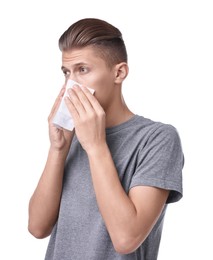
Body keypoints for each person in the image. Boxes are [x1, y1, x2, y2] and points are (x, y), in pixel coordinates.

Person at [28, 18, 184, 260]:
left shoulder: (157, 139)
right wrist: (58, 149)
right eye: (66, 72)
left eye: (83, 70)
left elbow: (126, 239)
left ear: (119, 72)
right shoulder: (73, 137)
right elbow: (37, 228)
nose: (72, 84)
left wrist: (96, 146)